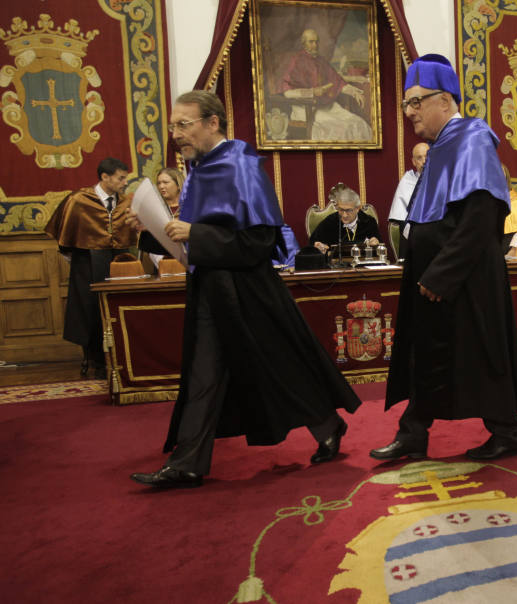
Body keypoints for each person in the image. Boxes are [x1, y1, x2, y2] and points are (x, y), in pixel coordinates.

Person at [129, 90, 361, 489]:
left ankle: (327, 425)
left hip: (249, 290)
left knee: (282, 365)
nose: (176, 134)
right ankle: (187, 463)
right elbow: (195, 238)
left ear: (212, 123)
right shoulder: (199, 168)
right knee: (203, 374)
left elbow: (259, 242)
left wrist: (195, 233)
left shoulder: (240, 166)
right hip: (210, 287)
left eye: (183, 124)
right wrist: (154, 230)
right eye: (172, 126)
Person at [369, 54, 517, 462]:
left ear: (444, 100)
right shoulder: (440, 148)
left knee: (479, 353)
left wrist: (442, 274)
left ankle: (507, 432)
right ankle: (413, 432)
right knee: (427, 353)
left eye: (415, 102)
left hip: (465, 278)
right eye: (406, 104)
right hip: (436, 275)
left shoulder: (472, 138)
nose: (409, 112)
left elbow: (481, 217)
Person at [44, 157, 136, 379]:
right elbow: (64, 239)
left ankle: (121, 359)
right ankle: (97, 360)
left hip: (119, 263)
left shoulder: (126, 203)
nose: (125, 183)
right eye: (121, 178)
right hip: (87, 263)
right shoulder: (79, 200)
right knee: (89, 310)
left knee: (118, 308)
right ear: (105, 177)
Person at [278, 28, 370, 141]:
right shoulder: (296, 61)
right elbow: (287, 93)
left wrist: (354, 92)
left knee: (358, 123)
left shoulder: (320, 60)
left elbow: (337, 81)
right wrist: (312, 92)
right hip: (305, 108)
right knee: (341, 128)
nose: (315, 45)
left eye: (316, 42)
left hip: (326, 106)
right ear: (303, 43)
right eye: (311, 42)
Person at [309, 183, 380, 253]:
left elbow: (379, 247)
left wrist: (376, 244)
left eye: (348, 210)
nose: (344, 215)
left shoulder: (368, 221)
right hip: (336, 260)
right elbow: (313, 243)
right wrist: (318, 246)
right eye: (341, 209)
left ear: (357, 208)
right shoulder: (329, 222)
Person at [142, 167, 184, 271]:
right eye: (159, 183)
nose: (161, 186)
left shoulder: (189, 207)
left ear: (178, 185)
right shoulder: (153, 209)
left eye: (165, 182)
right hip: (160, 261)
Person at [388, 142, 429, 226]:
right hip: (414, 227)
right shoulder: (407, 181)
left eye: (427, 156)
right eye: (419, 158)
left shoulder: (443, 179)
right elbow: (399, 218)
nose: (424, 161)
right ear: (414, 162)